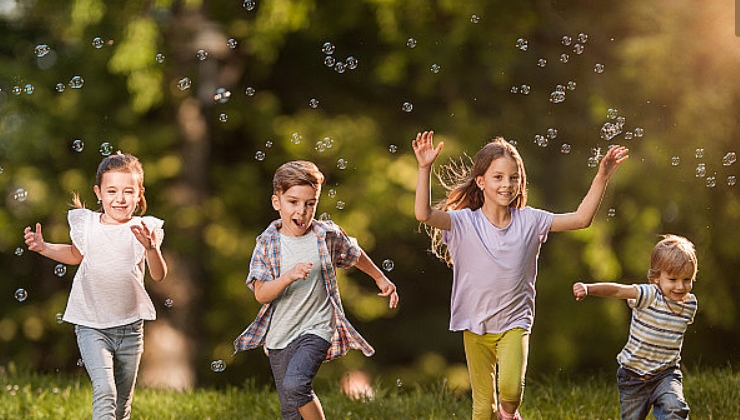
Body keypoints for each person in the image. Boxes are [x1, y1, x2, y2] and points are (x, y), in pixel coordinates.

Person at [412, 130, 628, 420]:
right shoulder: (464, 222)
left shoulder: (530, 220)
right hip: (474, 326)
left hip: (514, 322)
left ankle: (509, 414)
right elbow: (424, 214)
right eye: (498, 177)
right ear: (480, 181)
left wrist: (601, 178)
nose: (507, 184)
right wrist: (424, 168)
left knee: (511, 392)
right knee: (481, 410)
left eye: (513, 178)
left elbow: (580, 219)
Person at [233, 160, 399, 420]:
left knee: (296, 385)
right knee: (291, 410)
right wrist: (288, 276)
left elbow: (355, 254)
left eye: (310, 203)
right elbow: (261, 294)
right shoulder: (266, 244)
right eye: (293, 202)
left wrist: (380, 279)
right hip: (280, 335)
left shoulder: (326, 235)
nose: (302, 211)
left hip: (317, 327)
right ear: (277, 202)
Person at [23, 152, 167, 420]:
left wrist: (151, 249)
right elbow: (75, 256)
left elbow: (158, 275)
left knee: (122, 403)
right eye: (112, 190)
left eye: (128, 191)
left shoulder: (144, 229)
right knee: (105, 390)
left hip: (131, 329)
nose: (120, 198)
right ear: (98, 192)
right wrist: (44, 248)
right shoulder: (86, 224)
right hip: (91, 325)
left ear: (139, 194)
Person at [573, 234, 698, 420]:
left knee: (675, 408)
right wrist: (589, 288)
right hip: (633, 377)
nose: (680, 286)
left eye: (687, 280)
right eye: (673, 279)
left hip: (666, 374)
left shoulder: (689, 305)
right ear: (656, 278)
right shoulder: (649, 294)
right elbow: (618, 290)